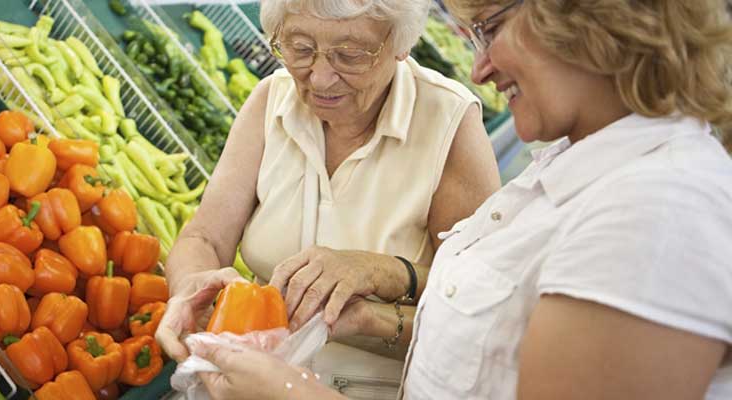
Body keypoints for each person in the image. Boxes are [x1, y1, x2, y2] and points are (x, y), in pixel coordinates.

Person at [182, 0, 732, 399]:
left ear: (592, 16)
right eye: (301, 49)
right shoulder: (574, 172)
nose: (479, 69)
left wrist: (287, 391)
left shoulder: (661, 211)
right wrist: (365, 317)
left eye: (491, 28)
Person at [156, 0, 501, 390]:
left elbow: (483, 310)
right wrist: (192, 286)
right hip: (241, 385)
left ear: (401, 44)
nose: (319, 78)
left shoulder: (449, 123)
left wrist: (378, 276)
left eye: (350, 55)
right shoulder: (271, 100)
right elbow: (205, 236)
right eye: (300, 49)